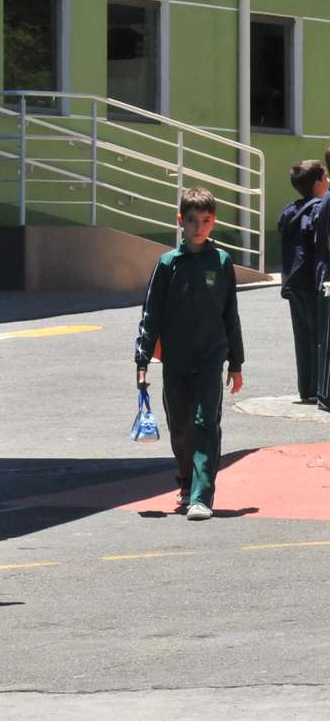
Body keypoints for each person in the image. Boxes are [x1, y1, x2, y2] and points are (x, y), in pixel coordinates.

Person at [134, 187, 245, 521]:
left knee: (205, 422)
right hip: (176, 360)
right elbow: (150, 315)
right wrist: (141, 361)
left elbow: (231, 314)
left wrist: (236, 362)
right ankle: (186, 479)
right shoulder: (168, 264)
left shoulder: (222, 262)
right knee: (180, 425)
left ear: (213, 222)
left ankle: (201, 495)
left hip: (211, 357)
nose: (199, 227)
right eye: (193, 220)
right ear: (181, 221)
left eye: (206, 221)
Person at [278, 161, 327, 404]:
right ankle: (319, 388)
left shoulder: (291, 211)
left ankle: (305, 388)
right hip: (310, 279)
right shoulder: (318, 209)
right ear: (318, 183)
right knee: (318, 335)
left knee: (302, 335)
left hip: (292, 280)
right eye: (326, 177)